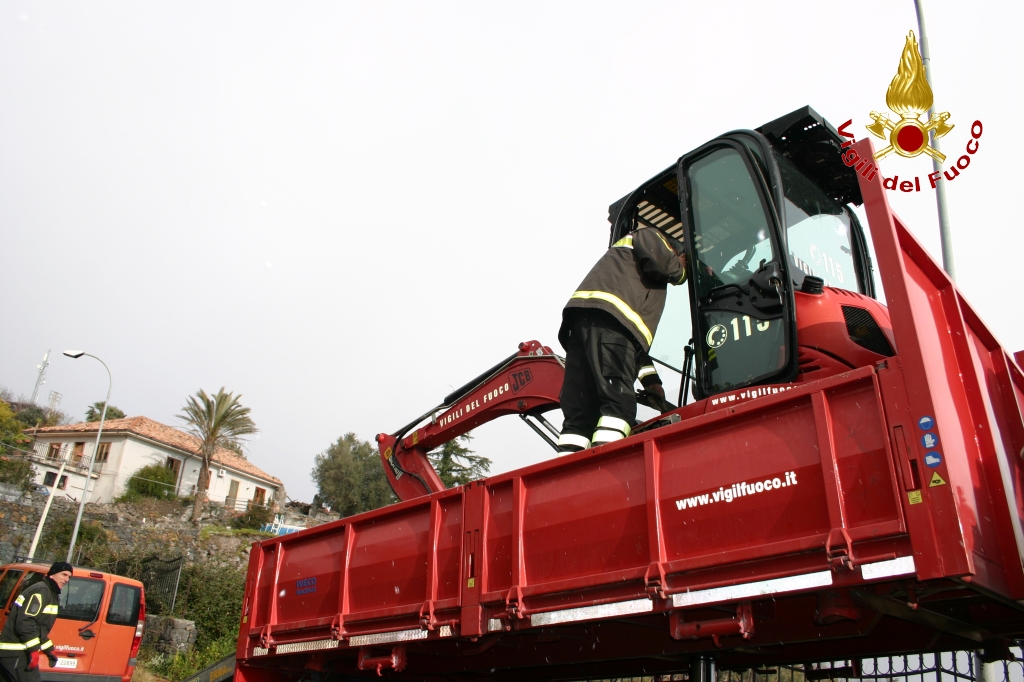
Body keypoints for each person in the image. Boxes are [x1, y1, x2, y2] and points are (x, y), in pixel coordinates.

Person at [556, 226, 687, 453]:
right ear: (672, 248)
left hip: (581, 327)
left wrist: (651, 383)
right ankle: (607, 467)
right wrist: (684, 266)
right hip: (610, 321)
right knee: (618, 403)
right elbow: (669, 268)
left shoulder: (621, 269)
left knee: (580, 414)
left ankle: (564, 478)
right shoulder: (650, 235)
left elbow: (630, 351)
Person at [0, 562, 71, 682]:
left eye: (69, 577)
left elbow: (38, 628)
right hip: (16, 652)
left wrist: (49, 649)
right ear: (53, 574)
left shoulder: (49, 592)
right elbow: (25, 622)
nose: (66, 579)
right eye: (64, 574)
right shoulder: (41, 591)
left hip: (13, 653)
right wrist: (33, 650)